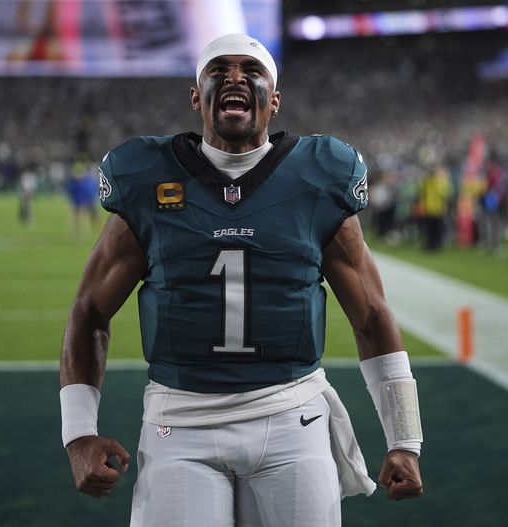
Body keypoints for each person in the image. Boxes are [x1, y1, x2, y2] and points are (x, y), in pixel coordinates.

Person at [59, 34, 424, 526]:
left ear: (273, 100)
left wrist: (405, 439)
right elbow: (90, 311)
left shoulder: (318, 178)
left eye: (250, 70)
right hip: (180, 420)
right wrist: (78, 433)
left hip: (291, 415)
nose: (235, 77)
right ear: (196, 96)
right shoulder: (147, 179)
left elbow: (372, 315)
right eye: (219, 70)